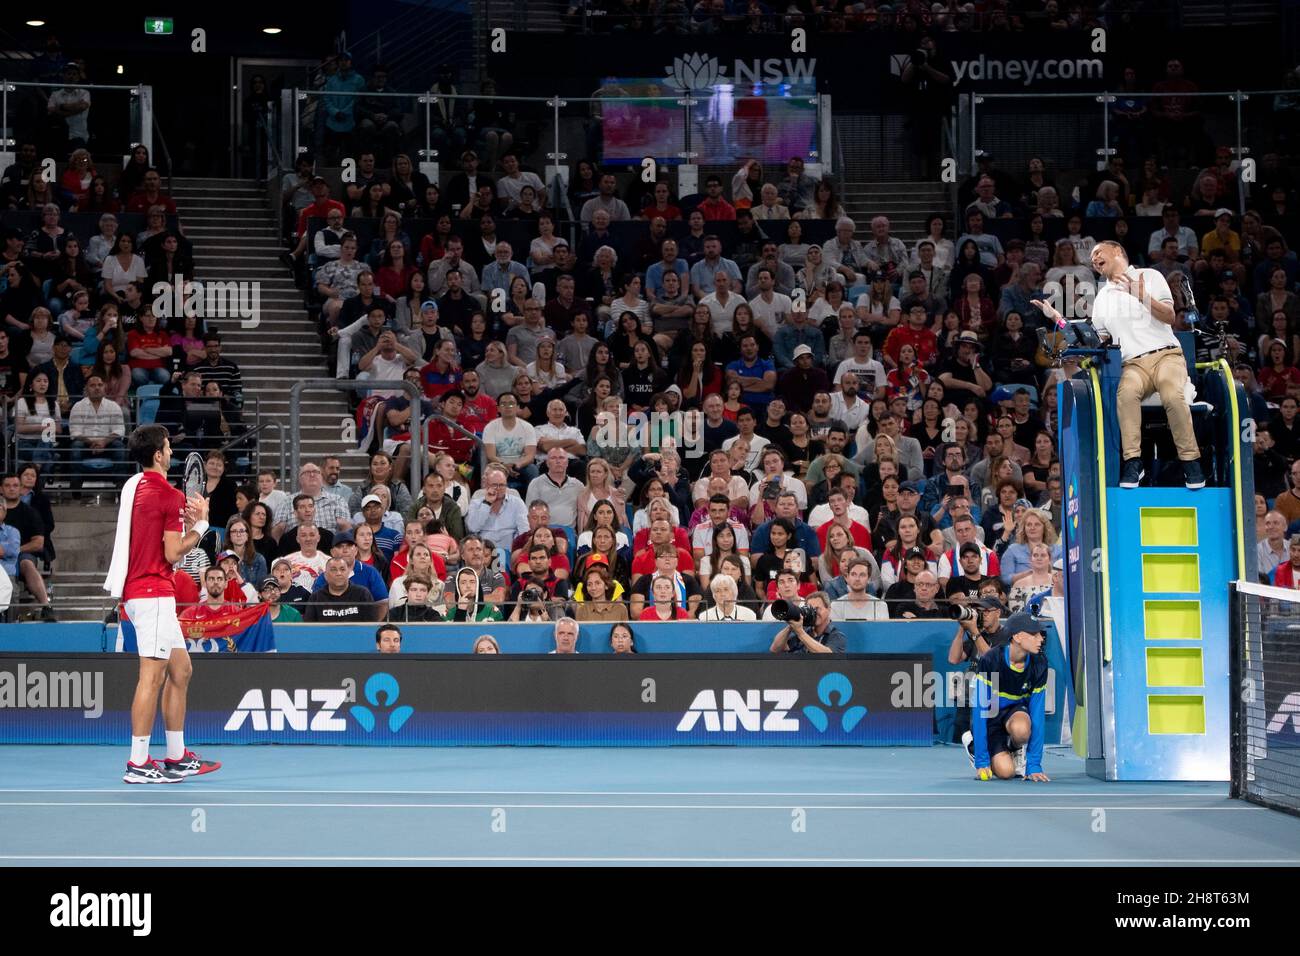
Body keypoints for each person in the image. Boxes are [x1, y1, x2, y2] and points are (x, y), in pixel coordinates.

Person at [104, 424, 221, 783]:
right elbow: (172, 553)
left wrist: (181, 518)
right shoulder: (168, 495)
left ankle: (176, 756)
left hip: (146, 595)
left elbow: (152, 530)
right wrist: (200, 526)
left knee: (181, 670)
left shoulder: (133, 486)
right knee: (151, 678)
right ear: (158, 455)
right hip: (152, 594)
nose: (172, 452)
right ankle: (138, 763)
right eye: (169, 447)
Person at [1039, 240, 1204, 490]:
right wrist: (1059, 320)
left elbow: (1170, 317)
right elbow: (1095, 336)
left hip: (1166, 356)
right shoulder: (1103, 295)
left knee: (1172, 394)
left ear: (1117, 251)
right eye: (1092, 259)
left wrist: (1143, 297)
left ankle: (1191, 462)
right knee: (1125, 395)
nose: (1093, 260)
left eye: (1098, 253)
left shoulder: (1149, 276)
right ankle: (1133, 462)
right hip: (1132, 365)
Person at [965, 612, 1052, 783]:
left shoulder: (1039, 663)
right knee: (1006, 773)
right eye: (1034, 634)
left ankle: (1014, 748)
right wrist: (982, 762)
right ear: (1018, 637)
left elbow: (1037, 714)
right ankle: (974, 747)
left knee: (1022, 730)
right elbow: (981, 710)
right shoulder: (991, 660)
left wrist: (1034, 765)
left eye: (1040, 634)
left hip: (1015, 714)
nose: (1041, 639)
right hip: (991, 716)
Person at [303, 555, 379, 622]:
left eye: (342, 569)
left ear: (348, 573)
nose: (339, 573)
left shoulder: (363, 594)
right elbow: (309, 630)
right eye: (333, 570)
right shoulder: (316, 598)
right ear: (325, 575)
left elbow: (371, 628)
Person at [768, 591, 845, 654]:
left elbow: (828, 656)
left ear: (828, 609)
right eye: (810, 609)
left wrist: (800, 633)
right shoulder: (804, 630)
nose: (814, 612)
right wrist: (791, 625)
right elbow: (775, 649)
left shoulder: (837, 635)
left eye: (817, 609)